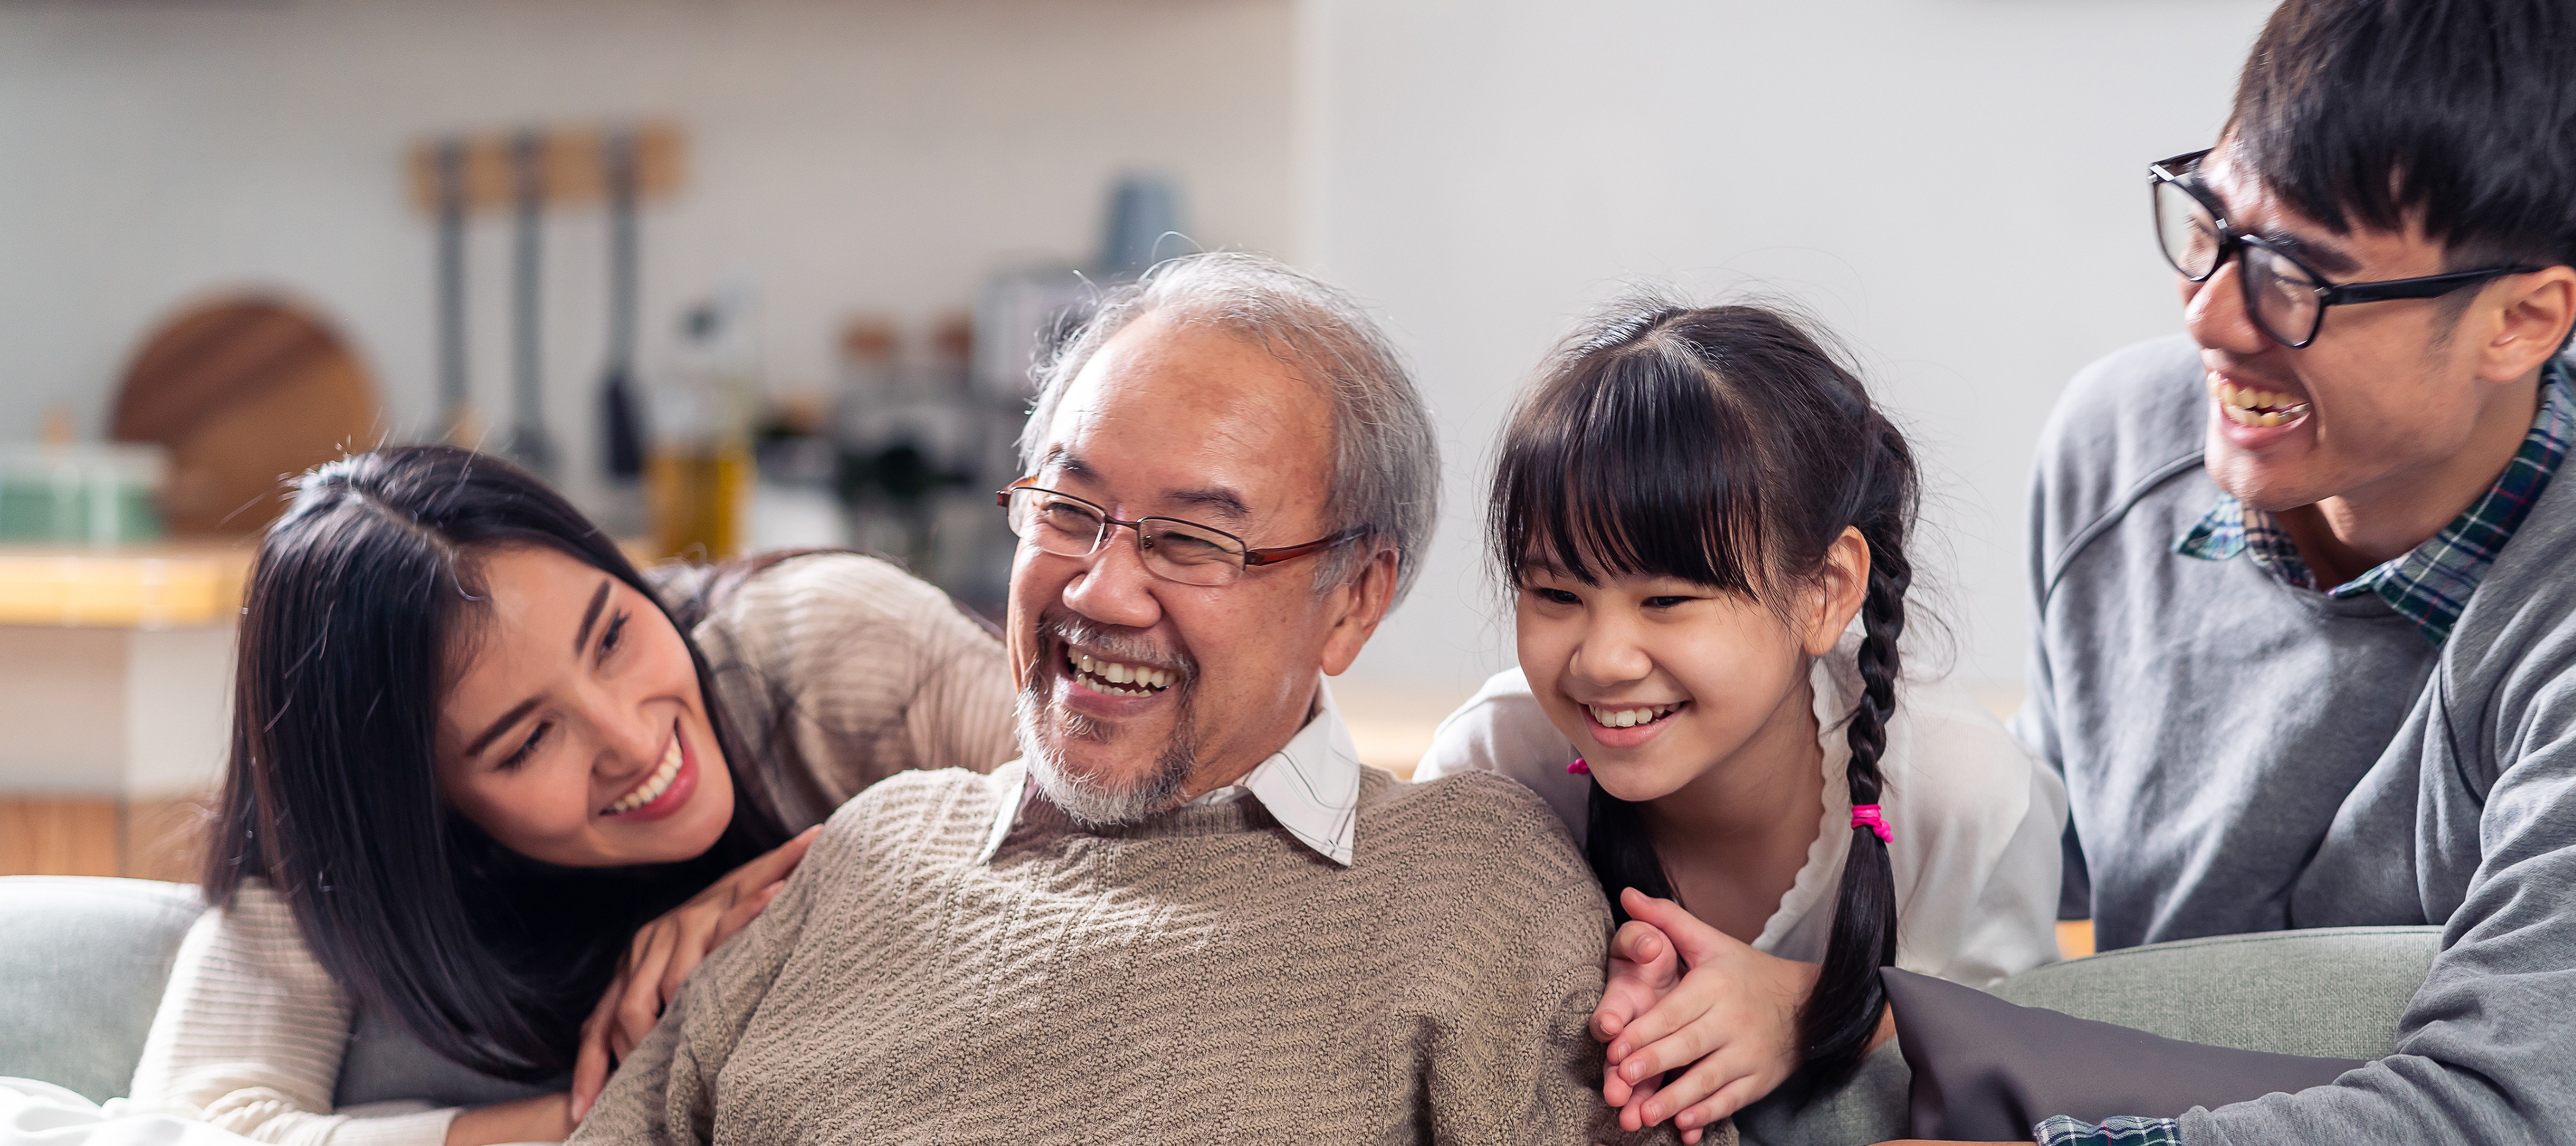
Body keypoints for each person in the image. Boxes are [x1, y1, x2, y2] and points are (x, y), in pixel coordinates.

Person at [1878, 0, 2576, 1143]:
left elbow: (2504, 1112)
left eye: (2301, 274)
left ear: (2522, 320)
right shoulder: (2119, 451)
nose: (2212, 316)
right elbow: (2041, 856)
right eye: (2212, 224)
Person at [569, 253, 1727, 1145]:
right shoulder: (866, 848)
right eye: (1067, 511)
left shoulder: (1473, 886)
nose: (1101, 588)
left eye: (1192, 539)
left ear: (1353, 600)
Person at [123, 447, 1018, 1146]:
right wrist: (621, 1111)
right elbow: (192, 1126)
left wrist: (797, 907)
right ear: (419, 811)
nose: (633, 739)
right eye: (530, 740)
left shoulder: (830, 644)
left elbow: (1136, 837)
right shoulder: (342, 861)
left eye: (614, 635)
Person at [1414, 299, 2064, 1143]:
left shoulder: (1966, 795)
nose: (1605, 658)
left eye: (1668, 600)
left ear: (1825, 592)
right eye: (1556, 595)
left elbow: (2034, 1079)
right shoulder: (1497, 762)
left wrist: (1818, 1011)